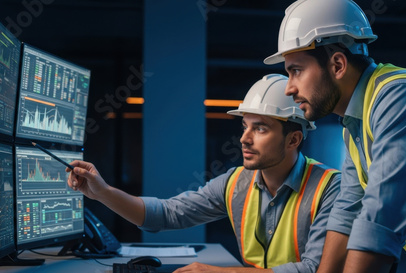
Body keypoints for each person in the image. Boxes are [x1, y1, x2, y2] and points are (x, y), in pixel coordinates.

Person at [264, 0, 406, 272]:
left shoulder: (402, 99)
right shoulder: (355, 124)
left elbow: (380, 224)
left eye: (295, 71)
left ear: (337, 65)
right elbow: (348, 212)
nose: (288, 88)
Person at [67, 74, 341, 273]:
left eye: (260, 128)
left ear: (293, 140)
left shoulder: (329, 188)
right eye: (245, 126)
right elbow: (165, 214)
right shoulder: (236, 183)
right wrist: (102, 193)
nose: (244, 139)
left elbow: (313, 270)